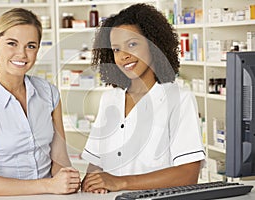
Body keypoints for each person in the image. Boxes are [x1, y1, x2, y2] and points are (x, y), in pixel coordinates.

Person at [81, 3, 206, 193]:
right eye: (116, 49)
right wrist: (93, 185)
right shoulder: (110, 100)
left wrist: (120, 182)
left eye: (132, 44)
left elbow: (188, 174)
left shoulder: (179, 99)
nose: (123, 56)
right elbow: (95, 166)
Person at [0, 8, 80, 197]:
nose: (22, 54)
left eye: (30, 46)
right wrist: (49, 186)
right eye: (12, 44)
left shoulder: (48, 93)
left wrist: (69, 182)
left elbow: (60, 160)